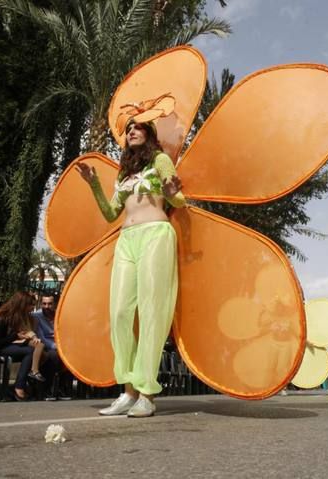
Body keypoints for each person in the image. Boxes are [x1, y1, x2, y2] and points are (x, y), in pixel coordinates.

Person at [76, 117, 186, 418]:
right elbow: (112, 213)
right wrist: (95, 184)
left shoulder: (161, 160)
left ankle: (147, 394)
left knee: (151, 311)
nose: (131, 132)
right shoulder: (124, 171)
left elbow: (179, 198)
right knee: (120, 312)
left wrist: (173, 190)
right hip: (126, 238)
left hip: (156, 234)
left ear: (149, 134)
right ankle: (127, 391)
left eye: (137, 128)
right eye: (128, 130)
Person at [0, 291, 47, 401]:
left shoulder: (18, 317)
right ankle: (19, 387)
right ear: (21, 305)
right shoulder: (1, 318)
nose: (31, 308)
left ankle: (22, 384)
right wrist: (16, 336)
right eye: (30, 305)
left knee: (37, 351)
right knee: (29, 351)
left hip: (7, 345)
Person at [34, 293, 72, 400]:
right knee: (53, 355)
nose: (46, 307)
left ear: (55, 304)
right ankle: (49, 389)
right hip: (47, 347)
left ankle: (63, 389)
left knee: (71, 356)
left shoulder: (61, 316)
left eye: (50, 304)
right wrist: (59, 347)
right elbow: (42, 338)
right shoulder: (37, 317)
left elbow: (67, 334)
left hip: (62, 346)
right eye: (44, 303)